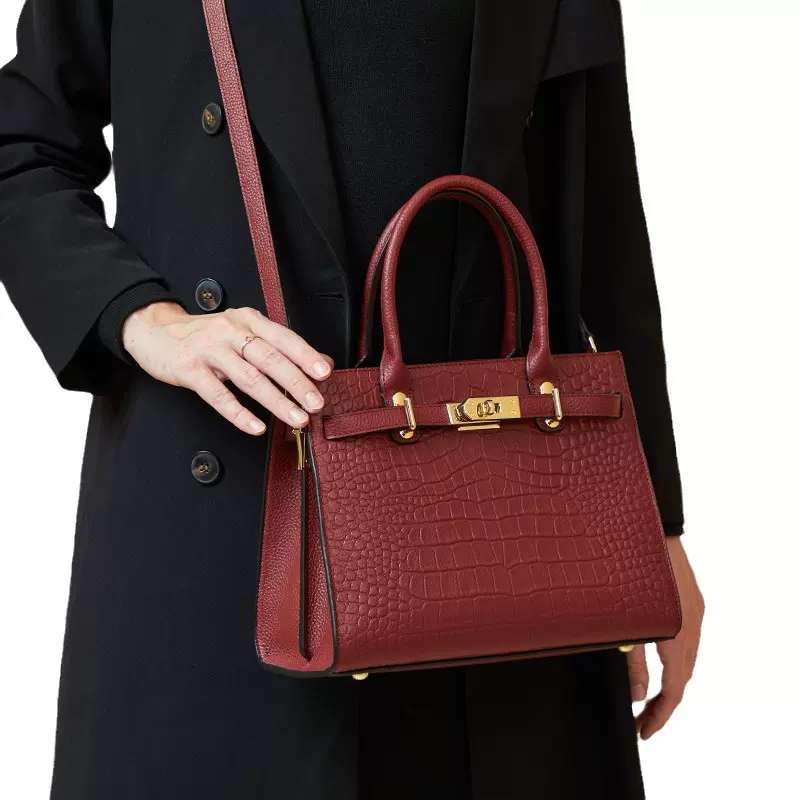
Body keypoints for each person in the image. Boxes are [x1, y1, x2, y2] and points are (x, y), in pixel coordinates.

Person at [0, 0, 704, 797]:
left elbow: (599, 225)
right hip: (220, 543)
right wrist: (139, 316)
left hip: (499, 548)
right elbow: (21, 146)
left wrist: (655, 526)